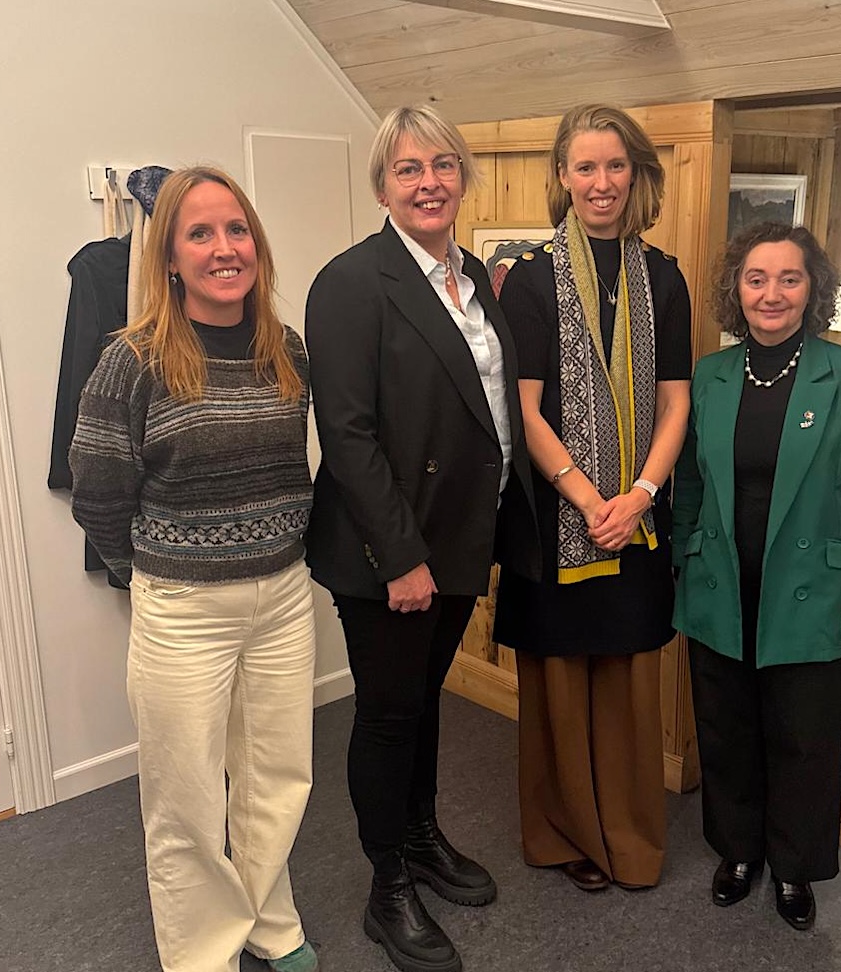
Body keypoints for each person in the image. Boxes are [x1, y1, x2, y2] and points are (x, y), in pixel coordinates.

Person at [303, 106, 539, 972]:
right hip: (389, 551)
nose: (429, 182)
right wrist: (400, 557)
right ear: (382, 188)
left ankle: (420, 834)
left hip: (462, 533)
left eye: (442, 165)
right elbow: (348, 433)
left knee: (423, 700)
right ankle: (386, 885)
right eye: (409, 169)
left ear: (462, 178)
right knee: (388, 712)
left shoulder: (471, 275)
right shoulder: (350, 282)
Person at [69, 166, 319, 972]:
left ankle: (269, 921)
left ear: (257, 245)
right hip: (182, 607)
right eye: (200, 234)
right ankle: (204, 953)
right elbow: (97, 489)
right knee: (186, 794)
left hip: (283, 598)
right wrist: (149, 573)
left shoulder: (286, 349)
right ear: (171, 258)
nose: (224, 248)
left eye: (236, 229)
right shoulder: (133, 359)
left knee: (276, 775)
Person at [672, 221, 841, 930]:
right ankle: (738, 851)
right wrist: (681, 561)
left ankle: (795, 866)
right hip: (722, 586)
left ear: (812, 289)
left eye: (789, 279)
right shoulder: (710, 374)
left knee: (806, 737)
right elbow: (689, 483)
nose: (772, 294)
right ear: (736, 290)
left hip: (815, 593)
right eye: (756, 279)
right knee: (727, 730)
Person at [493, 104, 692, 893]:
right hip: (556, 521)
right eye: (586, 167)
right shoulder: (530, 279)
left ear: (636, 174)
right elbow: (523, 410)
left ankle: (632, 838)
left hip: (637, 522)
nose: (601, 182)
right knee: (560, 685)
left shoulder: (665, 277)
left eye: (615, 166)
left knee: (627, 679)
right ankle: (564, 834)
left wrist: (638, 495)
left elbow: (676, 401)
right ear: (563, 176)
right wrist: (586, 498)